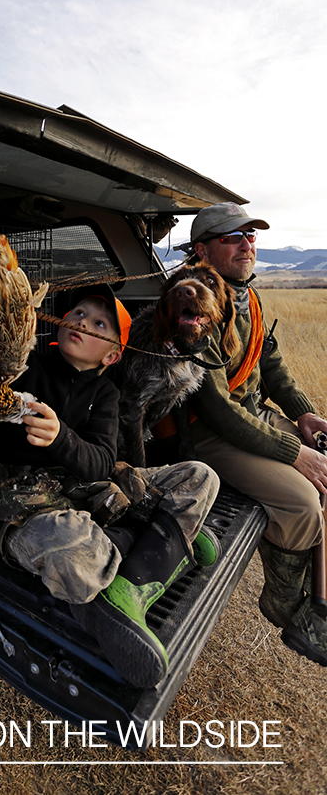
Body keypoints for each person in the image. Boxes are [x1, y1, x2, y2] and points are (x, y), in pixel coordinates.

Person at [0, 284, 220, 689]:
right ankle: (161, 540)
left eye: (98, 323)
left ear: (112, 356)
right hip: (34, 504)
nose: (81, 322)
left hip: (95, 489)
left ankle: (127, 586)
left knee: (200, 476)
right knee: (73, 540)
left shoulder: (107, 393)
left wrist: (61, 436)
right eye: (77, 313)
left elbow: (101, 462)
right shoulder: (29, 369)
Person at [177, 202, 327, 665]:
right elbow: (216, 407)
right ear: (202, 250)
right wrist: (292, 452)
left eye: (251, 237)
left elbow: (272, 362)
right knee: (302, 502)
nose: (247, 245)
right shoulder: (193, 301)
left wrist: (302, 414)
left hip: (251, 418)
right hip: (206, 434)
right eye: (233, 237)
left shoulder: (247, 296)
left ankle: (317, 598)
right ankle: (285, 606)